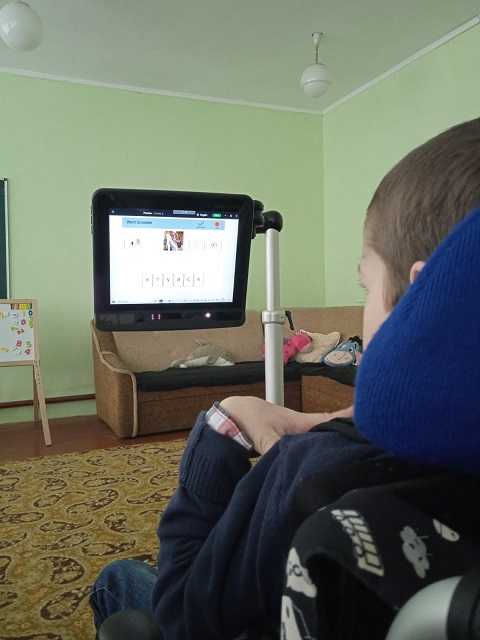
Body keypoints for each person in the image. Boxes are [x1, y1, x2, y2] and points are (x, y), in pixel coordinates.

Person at [90, 118, 480, 638]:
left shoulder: (309, 467)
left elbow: (184, 617)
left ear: (429, 300)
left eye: (365, 286)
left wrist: (225, 426)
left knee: (118, 580)